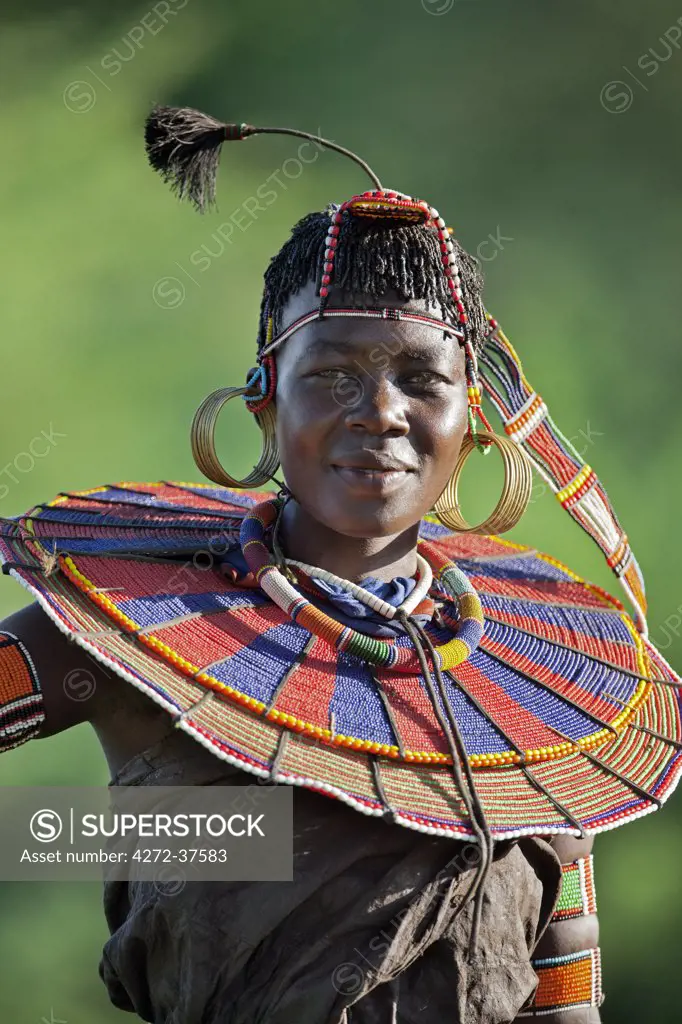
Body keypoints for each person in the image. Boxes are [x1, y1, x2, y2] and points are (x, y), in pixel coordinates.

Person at [0, 105, 679, 1024]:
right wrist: (178, 834)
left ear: (472, 420)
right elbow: (48, 838)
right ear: (261, 406)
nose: (381, 412)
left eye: (422, 378)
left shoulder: (545, 706)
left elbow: (566, 1002)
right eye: (331, 375)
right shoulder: (132, 625)